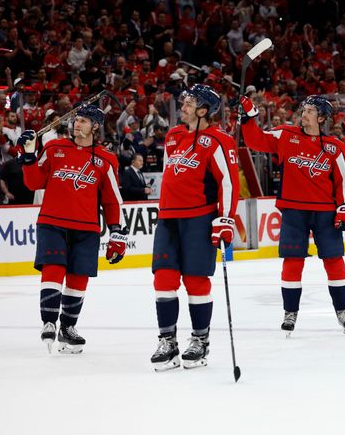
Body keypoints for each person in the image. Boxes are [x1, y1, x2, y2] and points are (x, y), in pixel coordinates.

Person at [239, 94, 345, 336]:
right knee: (292, 262)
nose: (304, 114)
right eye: (304, 110)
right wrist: (249, 119)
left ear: (322, 117)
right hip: (293, 211)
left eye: (311, 111)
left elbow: (343, 182)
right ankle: (290, 313)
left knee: (334, 261)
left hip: (325, 212)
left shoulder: (335, 147)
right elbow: (256, 140)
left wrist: (344, 207)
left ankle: (342, 310)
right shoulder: (285, 135)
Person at [18, 104, 126, 354]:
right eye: (77, 120)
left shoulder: (106, 159)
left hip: (87, 227)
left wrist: (117, 231)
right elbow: (34, 182)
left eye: (84, 121)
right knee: (54, 269)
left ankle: (68, 327)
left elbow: (112, 200)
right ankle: (48, 322)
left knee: (78, 278)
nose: (77, 124)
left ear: (96, 127)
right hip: (52, 222)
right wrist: (28, 155)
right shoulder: (54, 148)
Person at [149, 84, 240, 371]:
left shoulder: (219, 140)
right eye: (184, 101)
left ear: (204, 111)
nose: (183, 106)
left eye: (190, 103)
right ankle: (167, 341)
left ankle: (200, 340)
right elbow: (169, 175)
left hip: (199, 219)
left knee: (196, 281)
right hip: (168, 218)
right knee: (163, 279)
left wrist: (224, 219)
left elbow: (229, 183)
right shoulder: (174, 136)